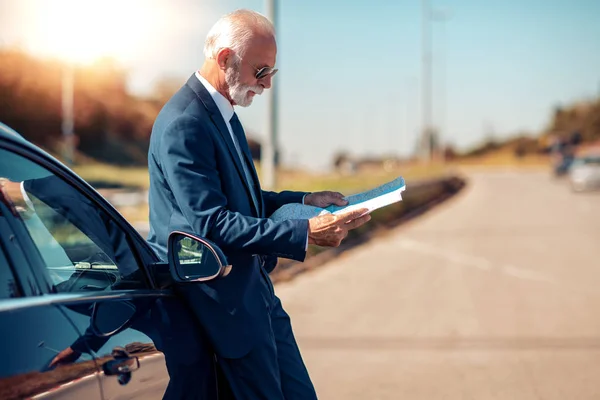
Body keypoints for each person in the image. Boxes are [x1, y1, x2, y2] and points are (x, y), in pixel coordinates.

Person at [146, 9, 371, 399]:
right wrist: (305, 232)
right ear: (224, 58)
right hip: (223, 307)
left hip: (256, 294)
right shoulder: (186, 123)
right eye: (260, 71)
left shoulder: (225, 115)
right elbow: (211, 222)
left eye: (272, 73)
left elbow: (245, 200)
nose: (265, 85)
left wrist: (304, 200)